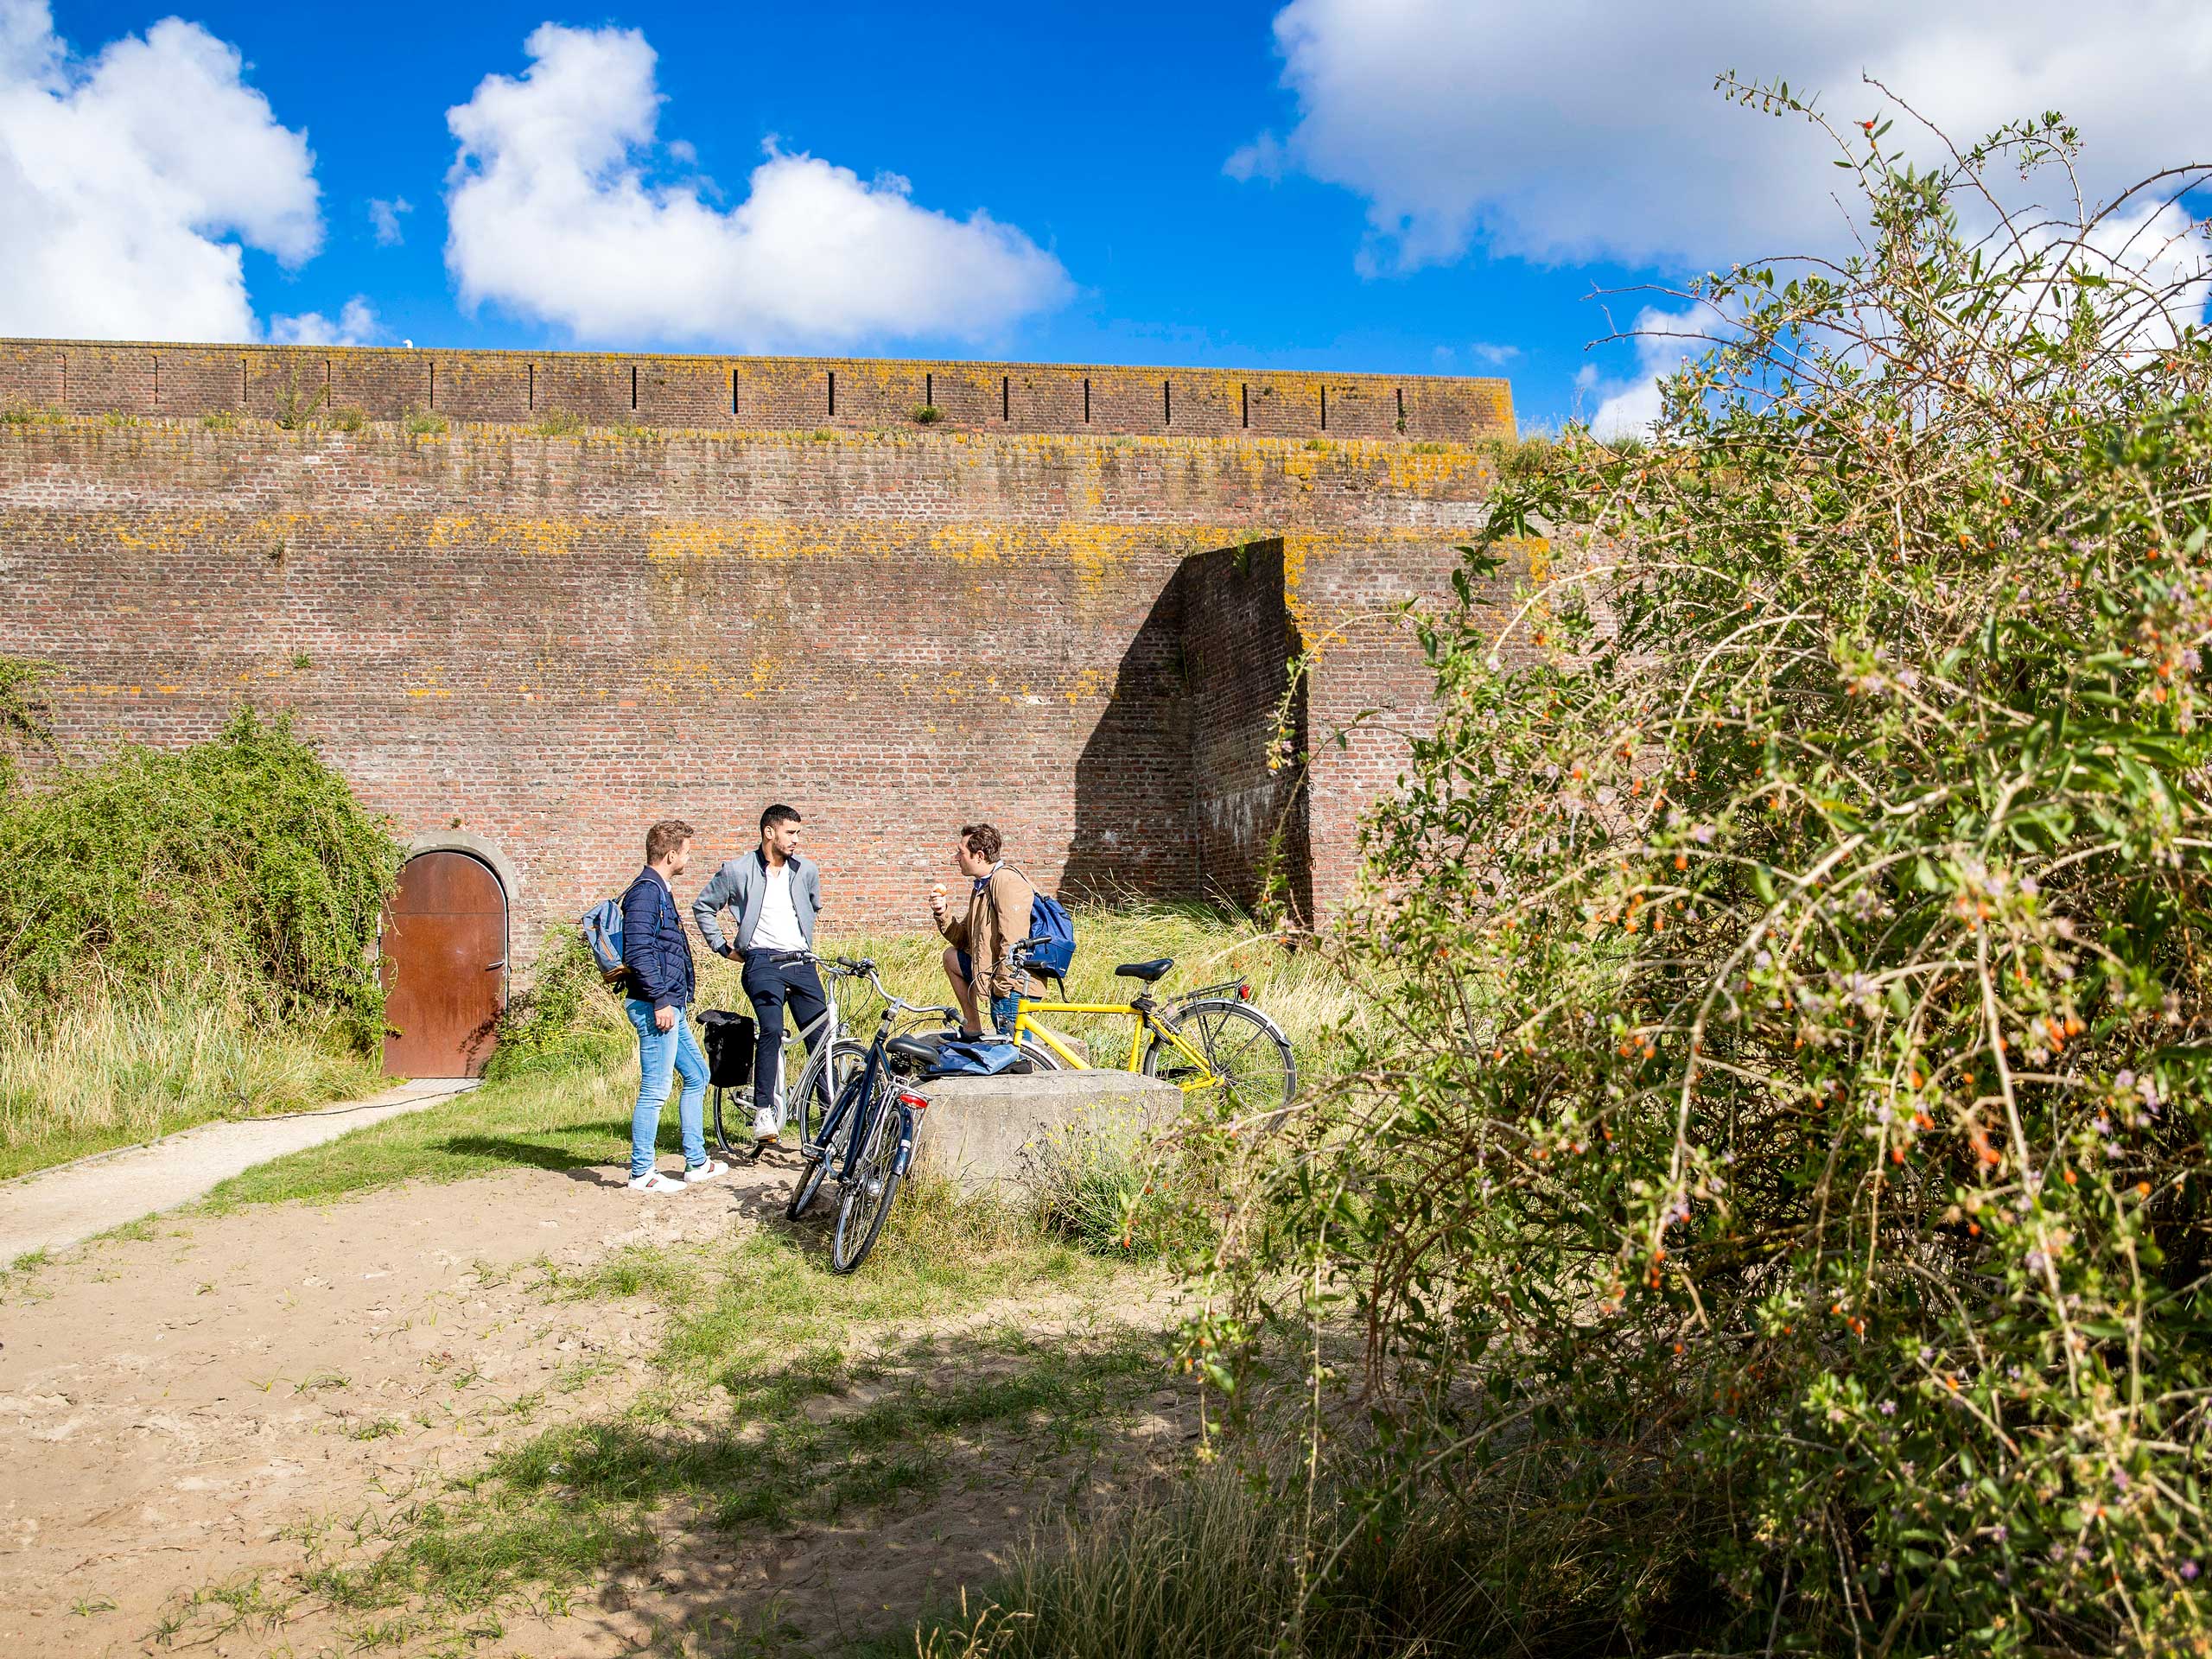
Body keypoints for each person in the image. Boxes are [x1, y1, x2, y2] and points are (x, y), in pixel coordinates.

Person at [691, 804, 826, 1151]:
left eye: (798, 833)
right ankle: (764, 1110)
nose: (797, 840)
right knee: (770, 1028)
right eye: (791, 833)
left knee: (822, 1037)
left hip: (802, 961)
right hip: (762, 962)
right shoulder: (738, 870)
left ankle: (831, 1115)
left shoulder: (806, 870)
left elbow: (813, 905)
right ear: (770, 832)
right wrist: (723, 947)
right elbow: (704, 906)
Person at [621, 819, 727, 1193]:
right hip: (656, 1006)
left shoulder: (657, 890)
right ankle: (642, 1173)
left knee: (697, 1074)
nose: (688, 858)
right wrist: (662, 1000)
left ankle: (696, 1163)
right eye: (686, 852)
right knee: (655, 1088)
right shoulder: (646, 893)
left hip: (669, 1005)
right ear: (670, 854)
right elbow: (638, 950)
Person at [932, 822, 1033, 1039]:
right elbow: (961, 940)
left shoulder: (1006, 882)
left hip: (1012, 984)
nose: (956, 858)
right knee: (951, 957)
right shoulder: (983, 886)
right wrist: (942, 912)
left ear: (979, 855)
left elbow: (1015, 942)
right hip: (994, 975)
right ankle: (972, 1029)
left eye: (960, 852)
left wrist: (1001, 988)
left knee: (1015, 1056)